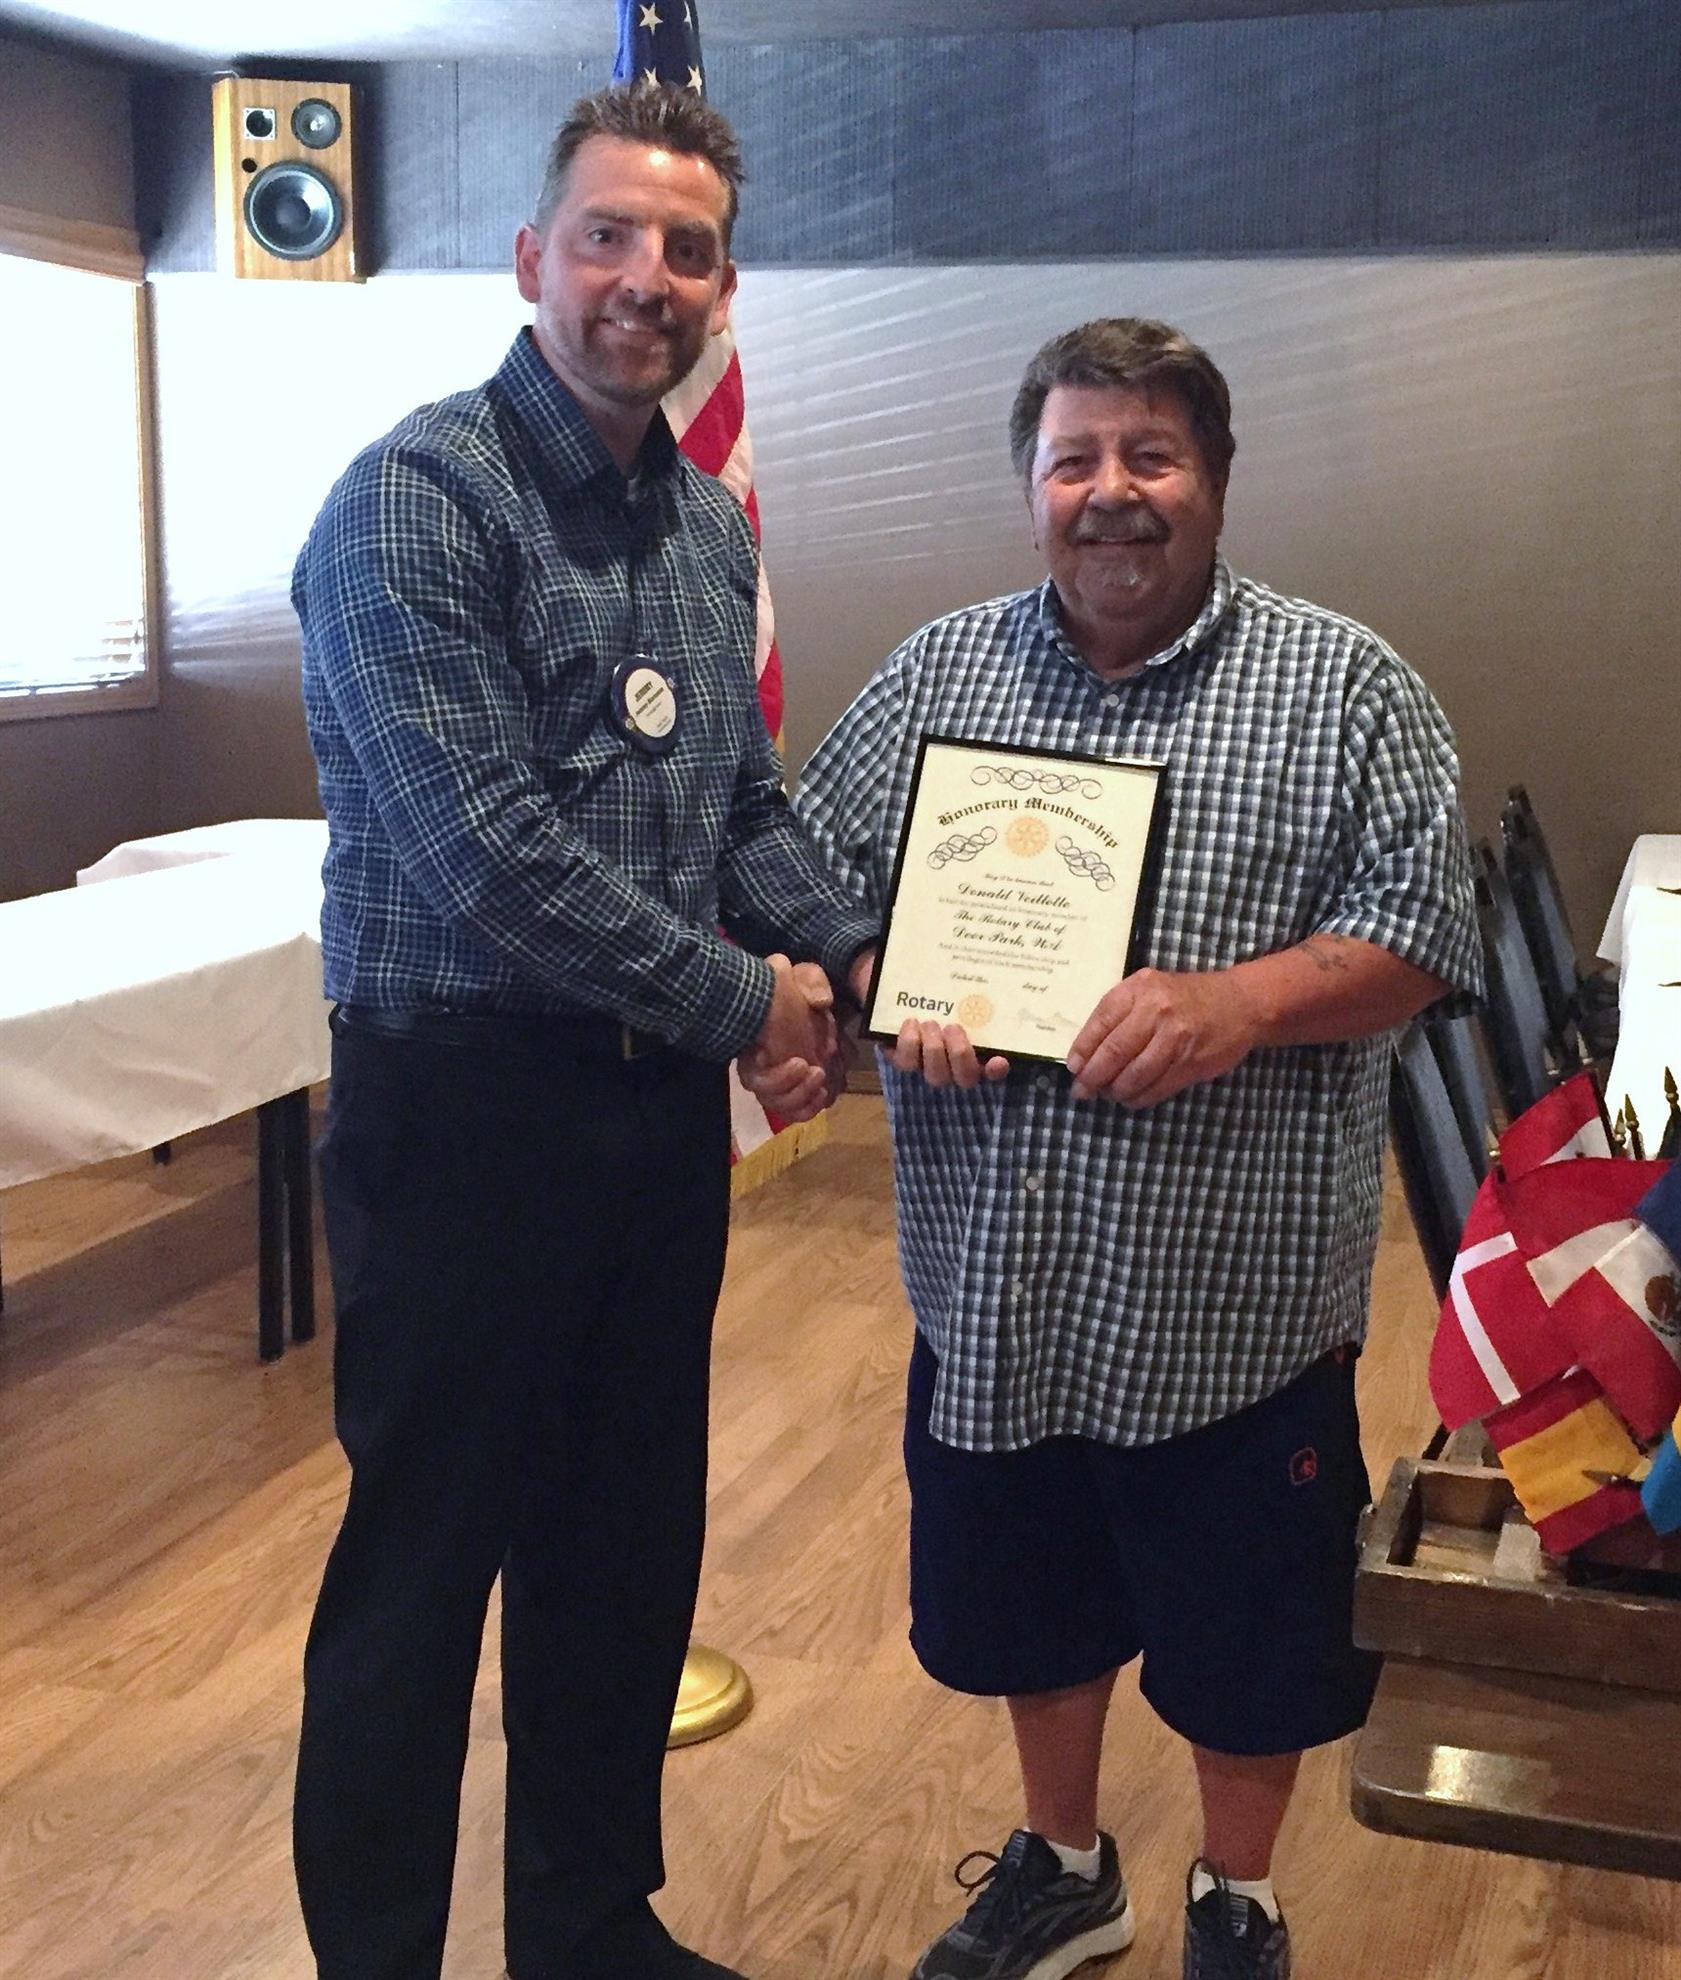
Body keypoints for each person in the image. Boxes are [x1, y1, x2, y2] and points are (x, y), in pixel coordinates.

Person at [790, 318, 1483, 1980]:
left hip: (1229, 1313)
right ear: (1030, 486)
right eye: (1074, 459)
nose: (1110, 491)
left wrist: (1241, 1002)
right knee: (1031, 1599)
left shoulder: (1346, 686)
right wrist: (884, 976)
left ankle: (1235, 1893)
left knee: (1251, 1643)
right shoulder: (937, 674)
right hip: (996, 1291)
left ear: (1214, 482)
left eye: (1150, 456)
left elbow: (1421, 932)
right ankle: (1064, 1862)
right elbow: (802, 871)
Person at [290, 82, 874, 1980]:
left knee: (621, 1546)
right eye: (609, 236)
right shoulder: (414, 503)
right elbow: (486, 860)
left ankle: (586, 1925)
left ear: (722, 289)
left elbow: (741, 812)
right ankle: (378, 1956)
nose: (646, 278)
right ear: (533, 257)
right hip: (461, 1117)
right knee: (421, 1571)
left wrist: (862, 952)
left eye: (687, 250)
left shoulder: (700, 527)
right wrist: (749, 999)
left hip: (645, 1128)